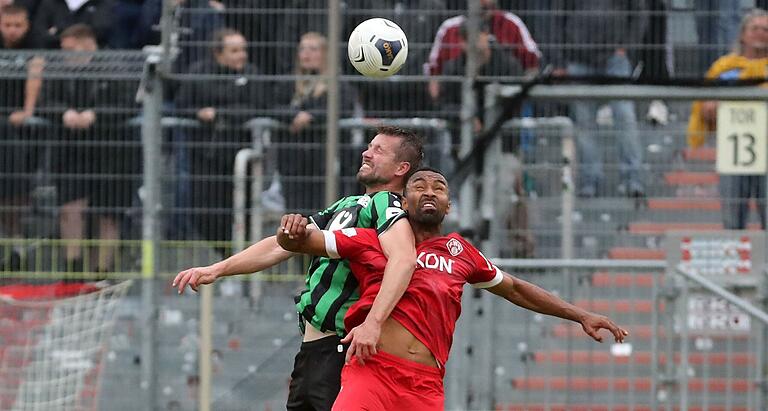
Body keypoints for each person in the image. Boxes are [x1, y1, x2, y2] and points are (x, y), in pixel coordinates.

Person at [276, 168, 628, 410]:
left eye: (439, 187)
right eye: (419, 185)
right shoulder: (375, 241)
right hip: (372, 371)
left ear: (448, 205)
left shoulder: (461, 253)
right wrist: (289, 230)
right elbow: (307, 240)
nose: (429, 190)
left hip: (425, 384)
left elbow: (517, 289)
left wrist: (581, 314)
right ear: (403, 200)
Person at [172, 126, 424, 411]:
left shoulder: (387, 204)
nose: (366, 153)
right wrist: (217, 269)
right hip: (313, 352)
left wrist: (373, 323)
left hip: (342, 352)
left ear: (401, 168)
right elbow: (282, 246)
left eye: (379, 150)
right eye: (369, 146)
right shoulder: (349, 204)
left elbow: (404, 259)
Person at [42, 24, 140, 272]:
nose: (64, 54)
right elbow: (45, 101)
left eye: (69, 48)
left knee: (109, 214)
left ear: (86, 43)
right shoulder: (59, 69)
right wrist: (63, 113)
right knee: (70, 207)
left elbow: (129, 104)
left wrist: (96, 115)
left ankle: (101, 274)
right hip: (72, 151)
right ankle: (72, 271)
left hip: (115, 153)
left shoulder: (115, 67)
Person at [173, 28, 271, 245]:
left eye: (243, 50)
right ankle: (225, 257)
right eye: (235, 50)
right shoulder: (198, 73)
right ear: (218, 53)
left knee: (243, 211)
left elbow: (260, 106)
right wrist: (199, 113)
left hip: (242, 154)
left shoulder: (252, 74)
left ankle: (240, 260)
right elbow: (181, 105)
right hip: (205, 157)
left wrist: (220, 114)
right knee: (204, 213)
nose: (242, 55)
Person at [554, 0, 649, 198]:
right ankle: (590, 179)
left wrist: (627, 48)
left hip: (615, 58)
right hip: (578, 58)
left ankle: (633, 177)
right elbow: (558, 17)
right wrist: (562, 57)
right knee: (584, 122)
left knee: (624, 115)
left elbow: (640, 13)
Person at [687, 9, 768, 230]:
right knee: (732, 222)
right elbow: (705, 105)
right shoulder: (724, 68)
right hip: (733, 156)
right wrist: (711, 108)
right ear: (743, 34)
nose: (761, 33)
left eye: (766, 30)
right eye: (755, 29)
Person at [276, 31, 358, 212]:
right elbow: (272, 106)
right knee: (295, 212)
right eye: (302, 49)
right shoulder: (289, 82)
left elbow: (343, 108)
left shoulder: (338, 84)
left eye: (313, 49)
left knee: (324, 211)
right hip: (293, 161)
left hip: (325, 161)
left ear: (325, 53)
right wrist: (294, 116)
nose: (306, 54)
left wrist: (311, 117)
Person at [0, 4, 49, 270]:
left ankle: (16, 246)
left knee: (15, 193)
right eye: (7, 25)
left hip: (19, 129)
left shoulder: (35, 42)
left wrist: (27, 111)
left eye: (17, 25)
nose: (12, 31)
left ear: (27, 25)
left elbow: (35, 73)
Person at [424, 0, 540, 101]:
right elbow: (434, 74)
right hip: (457, 102)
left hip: (504, 102)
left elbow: (533, 65)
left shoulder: (511, 24)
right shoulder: (450, 28)